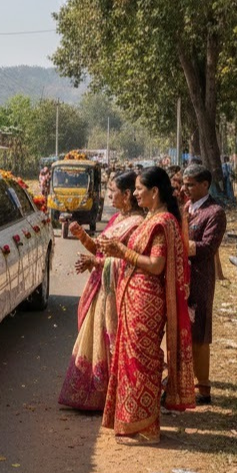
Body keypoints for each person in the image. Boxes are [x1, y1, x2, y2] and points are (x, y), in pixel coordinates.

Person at [97, 166, 195, 444]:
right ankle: (134, 422)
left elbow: (156, 264)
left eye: (140, 189)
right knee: (130, 360)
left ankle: (148, 428)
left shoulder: (162, 222)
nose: (136, 193)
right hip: (134, 297)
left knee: (143, 361)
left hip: (147, 301)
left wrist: (122, 252)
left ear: (155, 191)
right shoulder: (152, 218)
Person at [58, 171, 144, 410]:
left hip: (116, 292)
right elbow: (99, 248)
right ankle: (90, 393)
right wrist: (80, 234)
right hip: (101, 290)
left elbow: (129, 261)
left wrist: (96, 263)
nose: (109, 196)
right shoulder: (117, 219)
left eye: (112, 191)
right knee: (94, 341)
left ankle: (108, 396)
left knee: (111, 341)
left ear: (127, 195)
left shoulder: (137, 224)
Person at [181, 164, 227, 405]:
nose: (184, 188)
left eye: (190, 184)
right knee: (182, 327)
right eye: (183, 183)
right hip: (181, 278)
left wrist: (180, 245)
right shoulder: (186, 208)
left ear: (205, 185)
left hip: (200, 278)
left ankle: (203, 388)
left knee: (199, 330)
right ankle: (182, 381)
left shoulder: (215, 212)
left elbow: (208, 247)